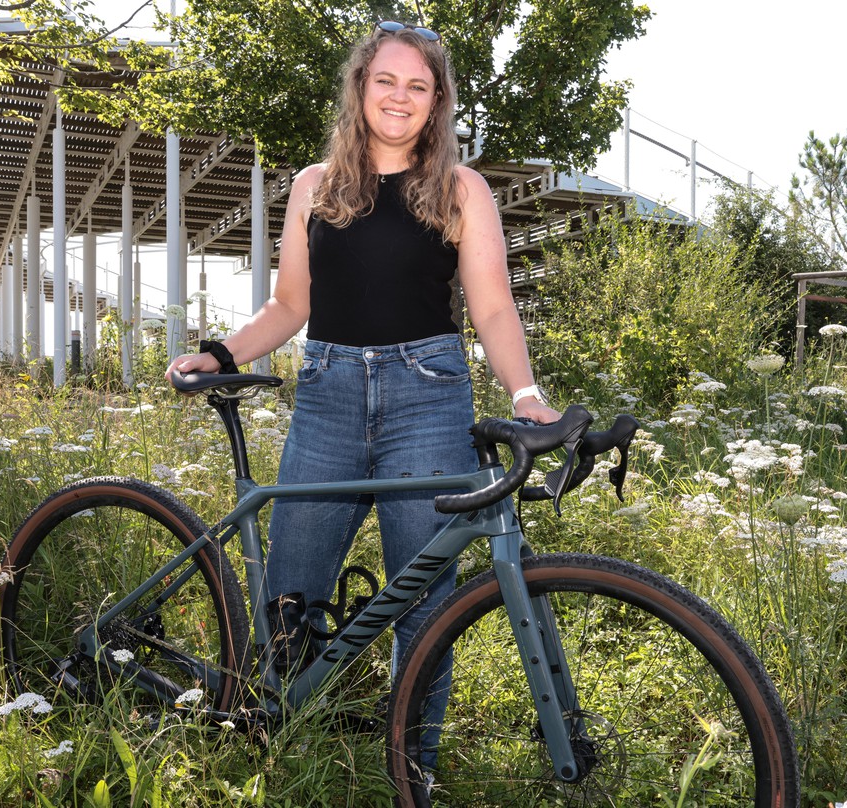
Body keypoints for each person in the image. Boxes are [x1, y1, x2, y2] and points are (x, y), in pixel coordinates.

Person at [165, 19, 560, 776]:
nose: (400, 96)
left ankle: (414, 773)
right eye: (387, 80)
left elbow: (495, 308)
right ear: (360, 87)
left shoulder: (459, 188)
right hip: (329, 396)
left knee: (425, 606)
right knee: (292, 593)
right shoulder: (316, 186)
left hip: (429, 398)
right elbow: (288, 307)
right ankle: (274, 759)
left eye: (418, 85)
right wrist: (218, 353)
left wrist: (528, 393)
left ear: (437, 100)